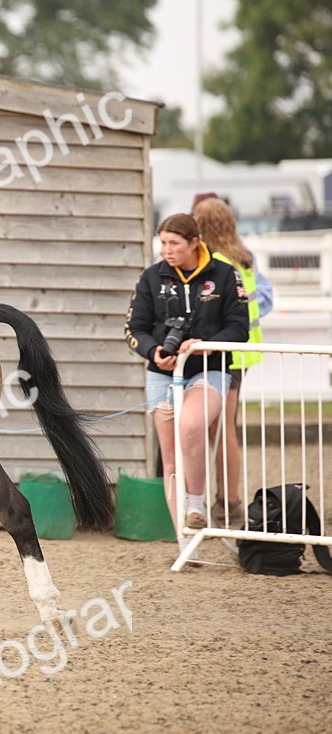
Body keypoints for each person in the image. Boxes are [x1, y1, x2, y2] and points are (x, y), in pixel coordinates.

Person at [125, 213, 249, 546]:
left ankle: (196, 506)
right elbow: (134, 328)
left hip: (210, 370)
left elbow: (240, 329)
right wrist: (154, 351)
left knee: (192, 426)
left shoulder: (224, 275)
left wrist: (202, 345)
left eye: (174, 243)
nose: (167, 250)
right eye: (163, 242)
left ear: (195, 242)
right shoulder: (151, 277)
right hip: (162, 375)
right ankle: (186, 543)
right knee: (170, 457)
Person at [192, 194, 273, 529]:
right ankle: (227, 500)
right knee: (224, 428)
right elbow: (265, 301)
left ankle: (228, 502)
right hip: (244, 352)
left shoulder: (215, 264)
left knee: (221, 430)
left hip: (223, 352)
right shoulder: (245, 257)